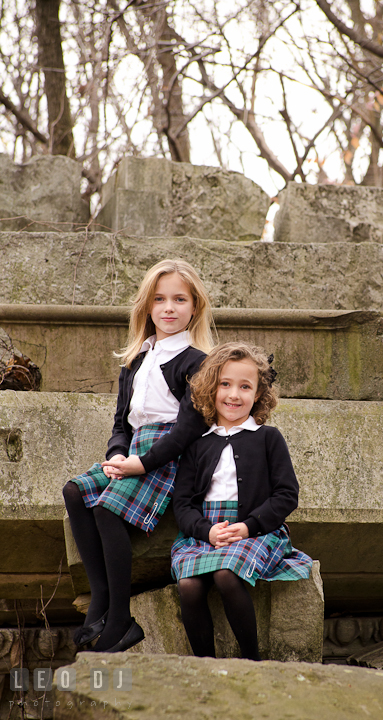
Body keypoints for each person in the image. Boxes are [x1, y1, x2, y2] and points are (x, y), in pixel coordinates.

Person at [63, 258, 215, 653]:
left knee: (106, 509)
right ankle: (101, 598)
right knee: (75, 491)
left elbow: (188, 429)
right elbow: (121, 424)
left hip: (169, 456)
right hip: (133, 450)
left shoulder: (196, 362)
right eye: (160, 299)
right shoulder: (135, 361)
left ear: (194, 307)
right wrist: (117, 455)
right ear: (147, 306)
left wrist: (143, 463)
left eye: (179, 299)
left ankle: (120, 620)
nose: (169, 308)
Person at [171, 342, 313, 661]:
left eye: (245, 387)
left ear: (258, 394)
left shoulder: (268, 438)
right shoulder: (196, 446)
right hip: (204, 534)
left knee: (225, 573)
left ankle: (252, 660)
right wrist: (206, 532)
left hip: (255, 531)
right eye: (225, 384)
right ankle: (205, 664)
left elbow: (286, 494)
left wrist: (249, 526)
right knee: (189, 585)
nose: (234, 395)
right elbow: (182, 505)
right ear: (211, 388)